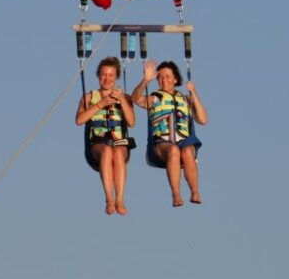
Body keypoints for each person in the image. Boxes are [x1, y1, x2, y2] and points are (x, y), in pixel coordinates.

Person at [132, 59, 208, 207]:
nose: (163, 79)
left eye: (167, 76)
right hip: (162, 144)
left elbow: (203, 120)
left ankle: (195, 192)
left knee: (187, 152)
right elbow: (135, 98)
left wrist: (194, 93)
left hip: (184, 141)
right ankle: (176, 194)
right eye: (160, 77)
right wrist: (145, 81)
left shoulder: (185, 99)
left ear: (175, 79)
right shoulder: (155, 98)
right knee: (173, 150)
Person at [75, 57, 136, 215]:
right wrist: (100, 104)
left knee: (116, 151)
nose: (106, 79)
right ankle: (109, 199)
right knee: (108, 151)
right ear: (98, 75)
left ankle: (120, 199)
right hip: (97, 143)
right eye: (103, 75)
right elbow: (80, 120)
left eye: (110, 75)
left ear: (116, 77)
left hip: (119, 142)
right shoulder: (89, 98)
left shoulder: (125, 97)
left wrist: (121, 99)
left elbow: (131, 122)